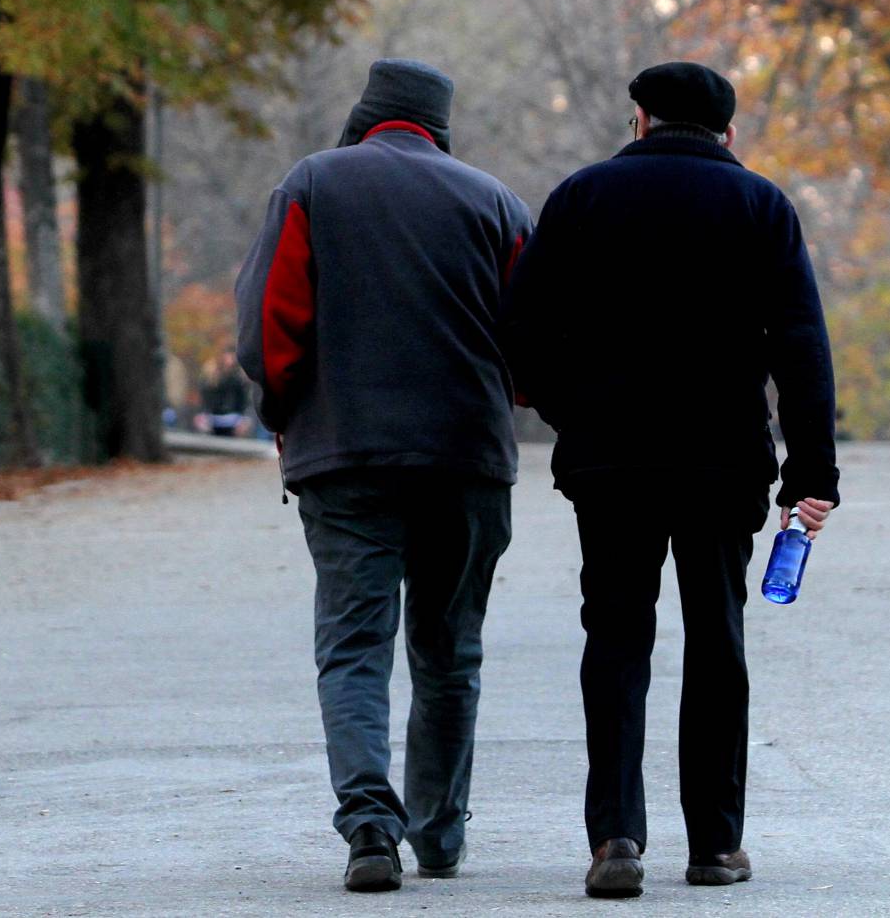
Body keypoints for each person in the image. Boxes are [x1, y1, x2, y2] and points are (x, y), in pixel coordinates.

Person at [504, 61, 840, 899]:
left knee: (616, 640)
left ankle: (616, 836)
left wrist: (570, 410)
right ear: (727, 134)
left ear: (642, 120)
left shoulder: (581, 197)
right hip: (722, 459)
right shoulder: (762, 206)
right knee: (716, 643)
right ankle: (715, 844)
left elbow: (521, 326)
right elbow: (800, 346)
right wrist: (813, 471)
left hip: (610, 459)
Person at [235, 59, 531, 893]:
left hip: (347, 457)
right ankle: (439, 833)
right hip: (466, 458)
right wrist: (504, 397)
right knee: (449, 651)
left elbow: (269, 323)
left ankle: (370, 827)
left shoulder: (312, 185)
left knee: (355, 646)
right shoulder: (495, 201)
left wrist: (287, 412)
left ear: (364, 115)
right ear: (440, 124)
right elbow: (535, 337)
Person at [198, 348, 252, 437]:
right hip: (213, 418)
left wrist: (244, 419)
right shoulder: (212, 375)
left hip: (234, 419)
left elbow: (244, 400)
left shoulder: (239, 378)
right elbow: (205, 398)